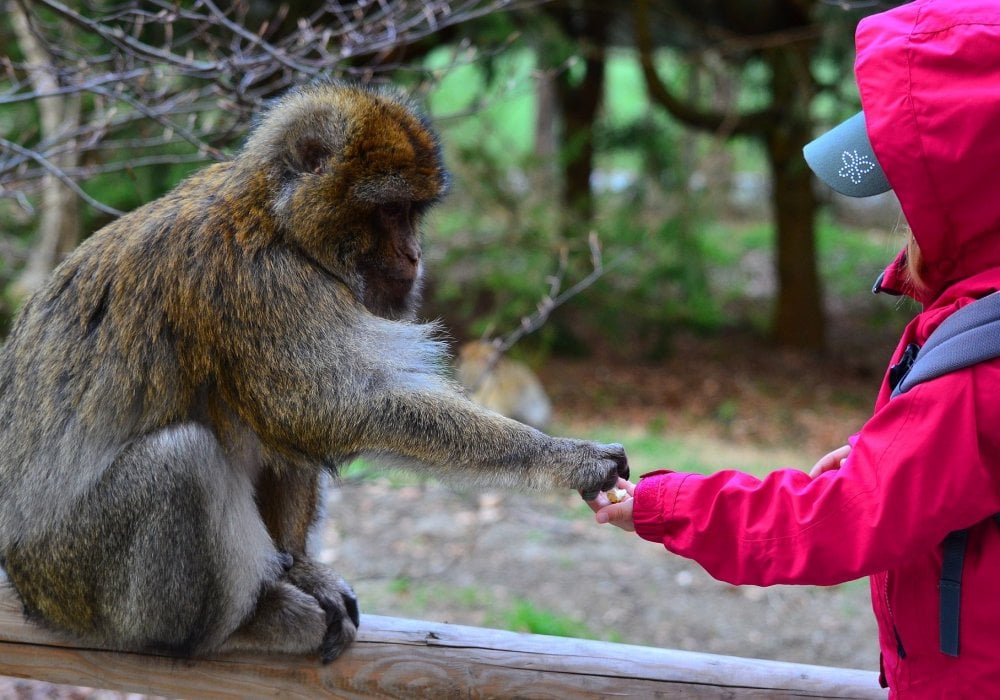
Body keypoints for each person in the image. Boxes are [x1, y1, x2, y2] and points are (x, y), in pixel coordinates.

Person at [589, 1, 1000, 696]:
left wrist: (668, 504)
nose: (902, 218)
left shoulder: (979, 368)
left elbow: (844, 521)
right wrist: (900, 452)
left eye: (909, 193)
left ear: (965, 196)